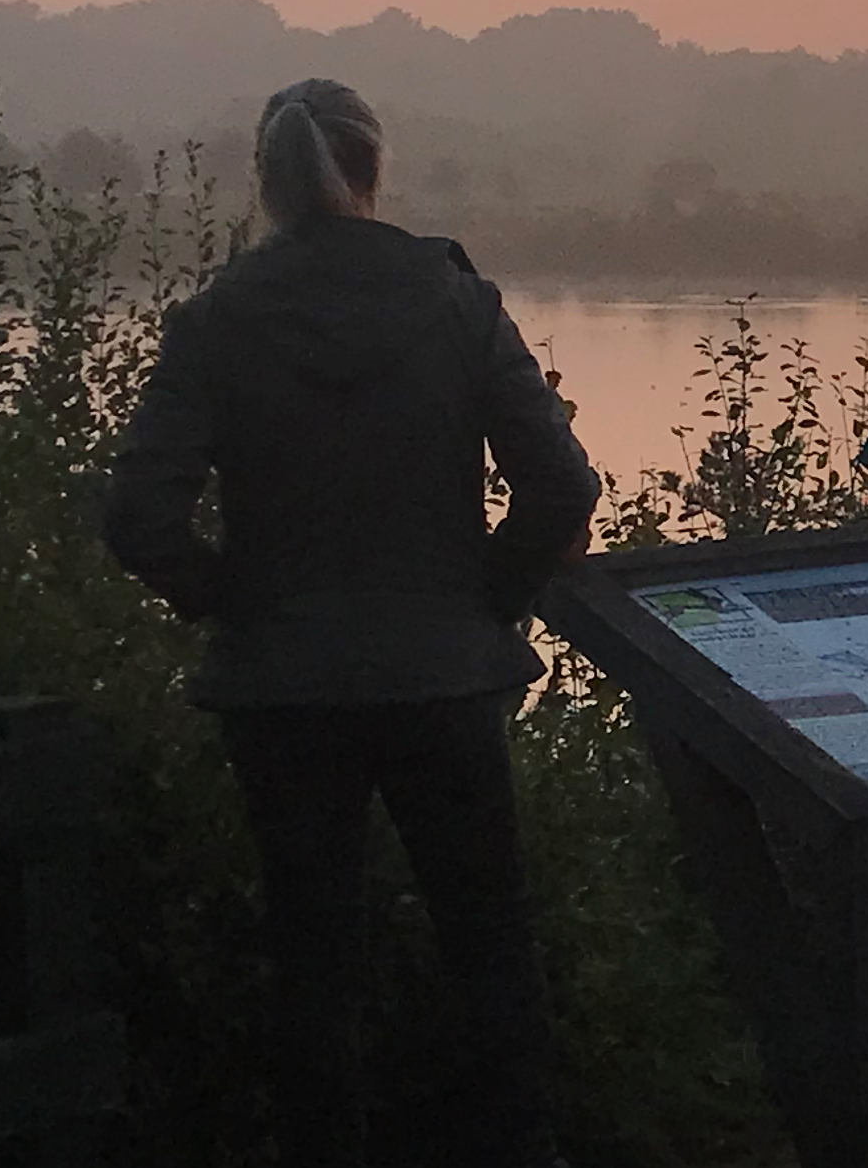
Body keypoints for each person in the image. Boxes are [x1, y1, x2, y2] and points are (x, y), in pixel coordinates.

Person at [103, 79, 601, 1167]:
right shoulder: (460, 304)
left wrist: (230, 597)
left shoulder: (221, 317)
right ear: (375, 171)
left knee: (311, 963)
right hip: (442, 680)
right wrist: (483, 601)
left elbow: (138, 513)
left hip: (281, 693)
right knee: (492, 952)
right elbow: (562, 489)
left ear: (265, 186)